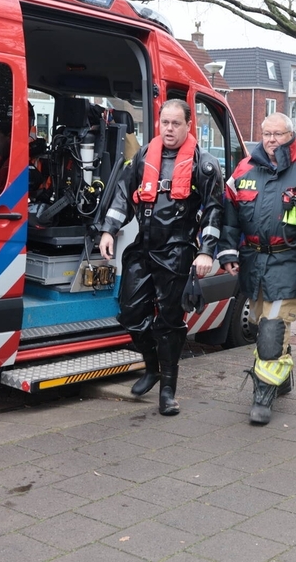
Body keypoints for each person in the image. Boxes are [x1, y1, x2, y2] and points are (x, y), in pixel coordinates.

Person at [96, 99, 224, 416]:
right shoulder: (143, 156)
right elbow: (123, 195)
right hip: (143, 247)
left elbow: (214, 212)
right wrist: (109, 230)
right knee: (130, 314)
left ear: (188, 126)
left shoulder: (204, 165)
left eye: (175, 123)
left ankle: (168, 389)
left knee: (169, 322)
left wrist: (206, 251)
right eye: (164, 122)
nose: (168, 129)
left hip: (177, 251)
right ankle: (152, 368)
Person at [217, 113, 296, 425]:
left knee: (272, 328)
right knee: (257, 323)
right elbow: (230, 215)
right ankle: (282, 377)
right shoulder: (244, 169)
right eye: (266, 134)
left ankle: (263, 395)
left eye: (278, 134)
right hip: (253, 261)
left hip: (290, 260)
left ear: (291, 135)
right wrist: (227, 251)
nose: (271, 140)